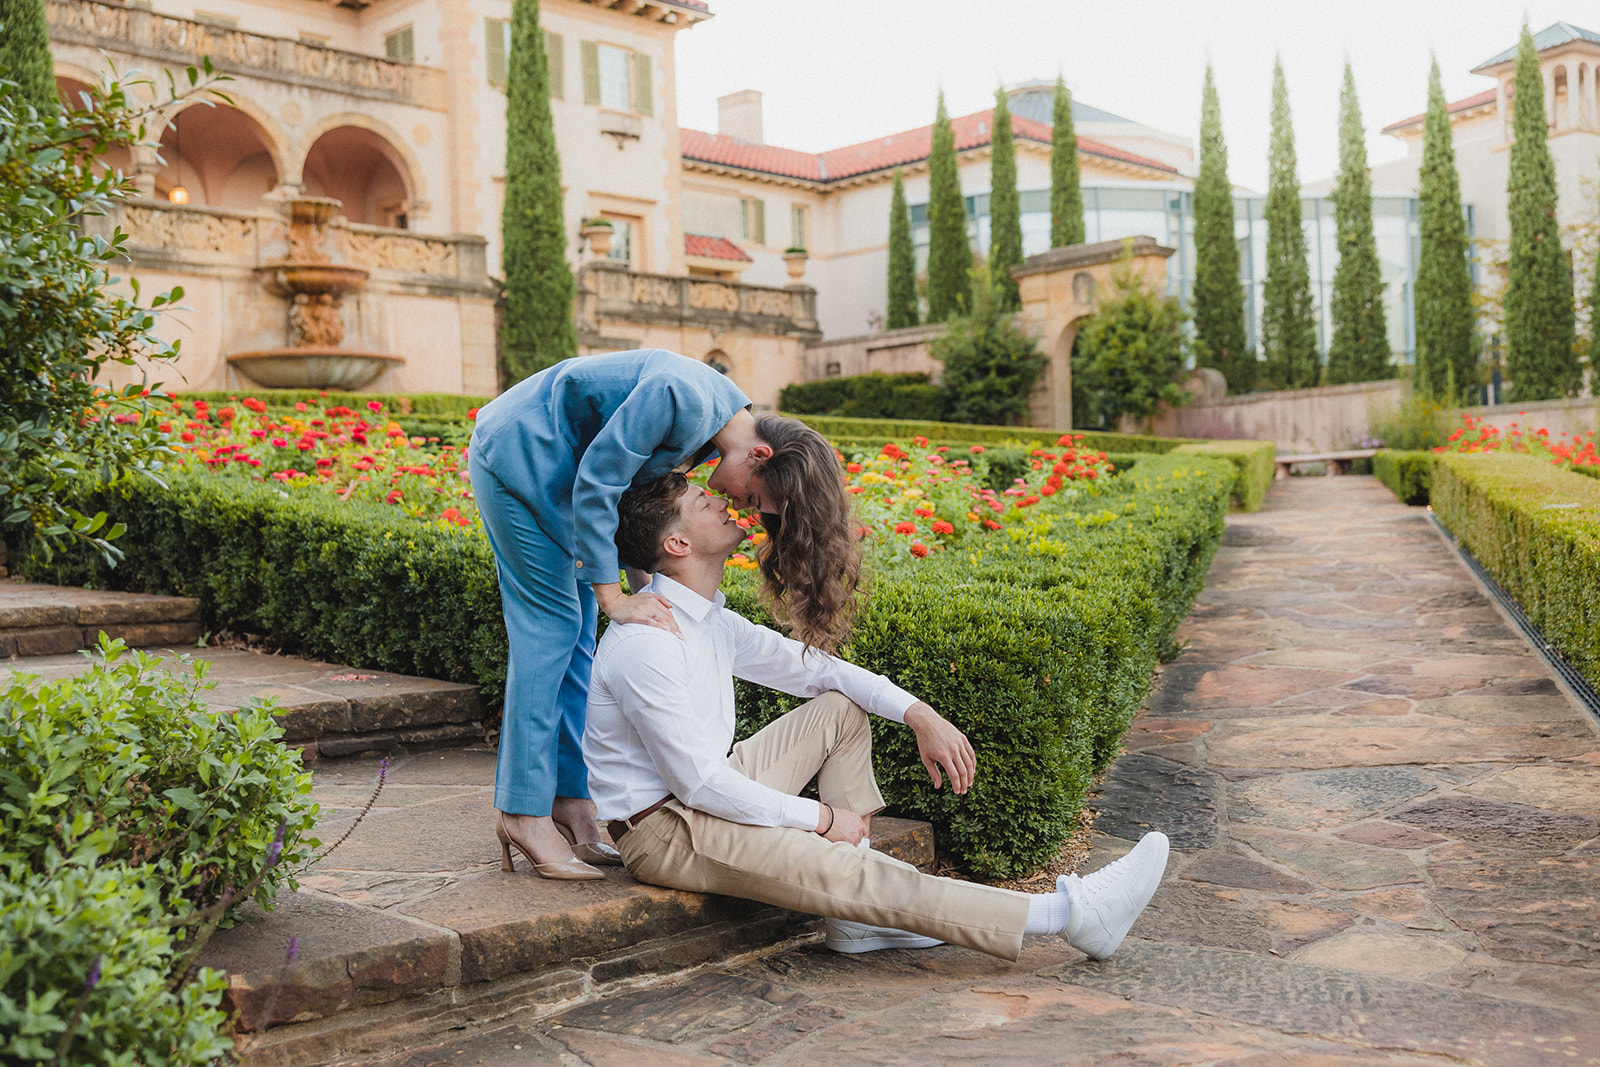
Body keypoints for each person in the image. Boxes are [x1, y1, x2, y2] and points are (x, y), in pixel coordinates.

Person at [583, 471, 1170, 958]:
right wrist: (820, 819)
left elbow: (821, 671)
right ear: (678, 545)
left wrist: (919, 713)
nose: (724, 500)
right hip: (665, 829)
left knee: (840, 709)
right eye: (703, 502)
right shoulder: (648, 644)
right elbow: (697, 783)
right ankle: (1068, 915)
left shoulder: (707, 619)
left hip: (706, 790)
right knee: (849, 870)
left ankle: (857, 921)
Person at [468, 349, 862, 879]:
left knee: (580, 640)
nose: (743, 508)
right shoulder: (680, 397)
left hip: (556, 475)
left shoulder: (711, 426)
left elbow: (631, 504)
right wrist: (615, 598)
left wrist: (644, 593)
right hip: (516, 458)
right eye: (755, 499)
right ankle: (520, 810)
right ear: (761, 454)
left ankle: (567, 798)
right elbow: (599, 485)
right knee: (551, 631)